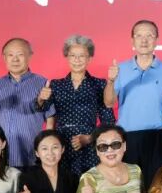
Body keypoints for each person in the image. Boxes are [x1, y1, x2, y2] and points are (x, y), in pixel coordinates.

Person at [103, 20, 162, 193]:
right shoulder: (120, 69)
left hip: (157, 138)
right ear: (132, 41)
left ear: (156, 40)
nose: (144, 40)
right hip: (128, 138)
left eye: (149, 35)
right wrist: (110, 81)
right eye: (139, 36)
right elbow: (109, 103)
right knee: (128, 192)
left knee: (156, 191)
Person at [0, 38, 54, 169]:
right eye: (10, 55)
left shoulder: (43, 84)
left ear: (30, 56)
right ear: (4, 58)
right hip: (0, 158)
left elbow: (51, 121)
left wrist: (46, 153)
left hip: (31, 157)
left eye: (20, 54)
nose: (15, 59)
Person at [44, 34, 116, 175]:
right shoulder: (55, 85)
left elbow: (108, 122)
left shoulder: (99, 84)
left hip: (89, 145)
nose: (77, 60)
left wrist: (89, 138)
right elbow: (48, 119)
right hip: (61, 145)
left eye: (82, 56)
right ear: (67, 57)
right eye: (72, 56)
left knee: (88, 185)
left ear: (89, 58)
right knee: (63, 185)